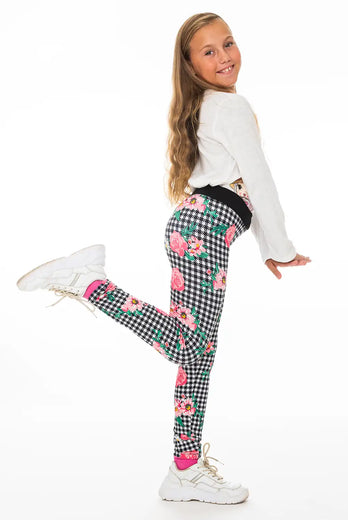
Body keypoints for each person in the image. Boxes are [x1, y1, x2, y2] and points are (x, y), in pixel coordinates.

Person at [16, 12, 311, 505]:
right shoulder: (230, 107)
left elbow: (239, 183)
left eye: (228, 43)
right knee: (190, 346)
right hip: (203, 232)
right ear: (191, 65)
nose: (225, 56)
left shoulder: (209, 106)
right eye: (209, 51)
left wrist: (266, 247)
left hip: (194, 228)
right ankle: (89, 282)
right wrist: (280, 247)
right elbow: (257, 179)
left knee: (198, 354)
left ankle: (185, 469)